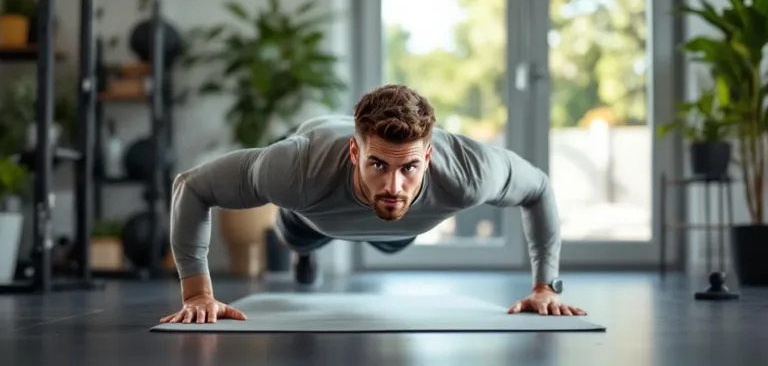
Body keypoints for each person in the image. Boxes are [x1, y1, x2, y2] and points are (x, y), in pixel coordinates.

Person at [160, 84, 587, 325]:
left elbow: (538, 188)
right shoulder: (294, 169)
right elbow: (192, 187)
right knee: (299, 236)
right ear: (354, 152)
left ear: (429, 158)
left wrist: (545, 287)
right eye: (378, 164)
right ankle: (305, 254)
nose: (393, 186)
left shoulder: (470, 170)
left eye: (409, 168)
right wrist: (197, 294)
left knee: (392, 239)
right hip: (312, 218)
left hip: (401, 231)